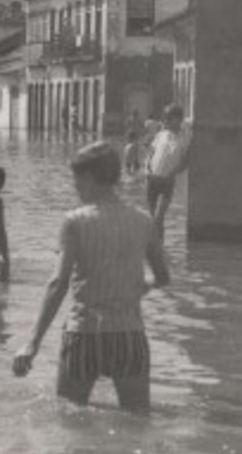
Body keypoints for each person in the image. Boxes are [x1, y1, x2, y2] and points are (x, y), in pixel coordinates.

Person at [12, 141, 170, 414]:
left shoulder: (75, 221)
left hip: (84, 333)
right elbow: (164, 277)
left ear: (88, 177)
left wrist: (33, 342)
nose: (75, 188)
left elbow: (58, 283)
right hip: (129, 335)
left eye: (76, 181)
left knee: (69, 421)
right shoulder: (143, 221)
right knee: (137, 422)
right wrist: (142, 286)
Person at [144, 103, 191, 240]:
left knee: (159, 218)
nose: (166, 122)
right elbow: (151, 153)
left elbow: (185, 162)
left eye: (169, 119)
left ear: (179, 119)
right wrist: (147, 169)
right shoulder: (161, 134)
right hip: (152, 178)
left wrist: (172, 174)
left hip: (167, 181)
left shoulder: (185, 138)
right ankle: (155, 248)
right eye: (165, 118)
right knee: (152, 219)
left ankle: (159, 250)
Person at [123, 109, 145, 174]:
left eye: (136, 114)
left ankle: (134, 163)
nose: (136, 115)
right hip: (132, 134)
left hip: (134, 134)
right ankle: (133, 164)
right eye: (136, 114)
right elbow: (126, 125)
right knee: (132, 148)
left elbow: (126, 125)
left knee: (134, 148)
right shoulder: (133, 119)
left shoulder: (134, 119)